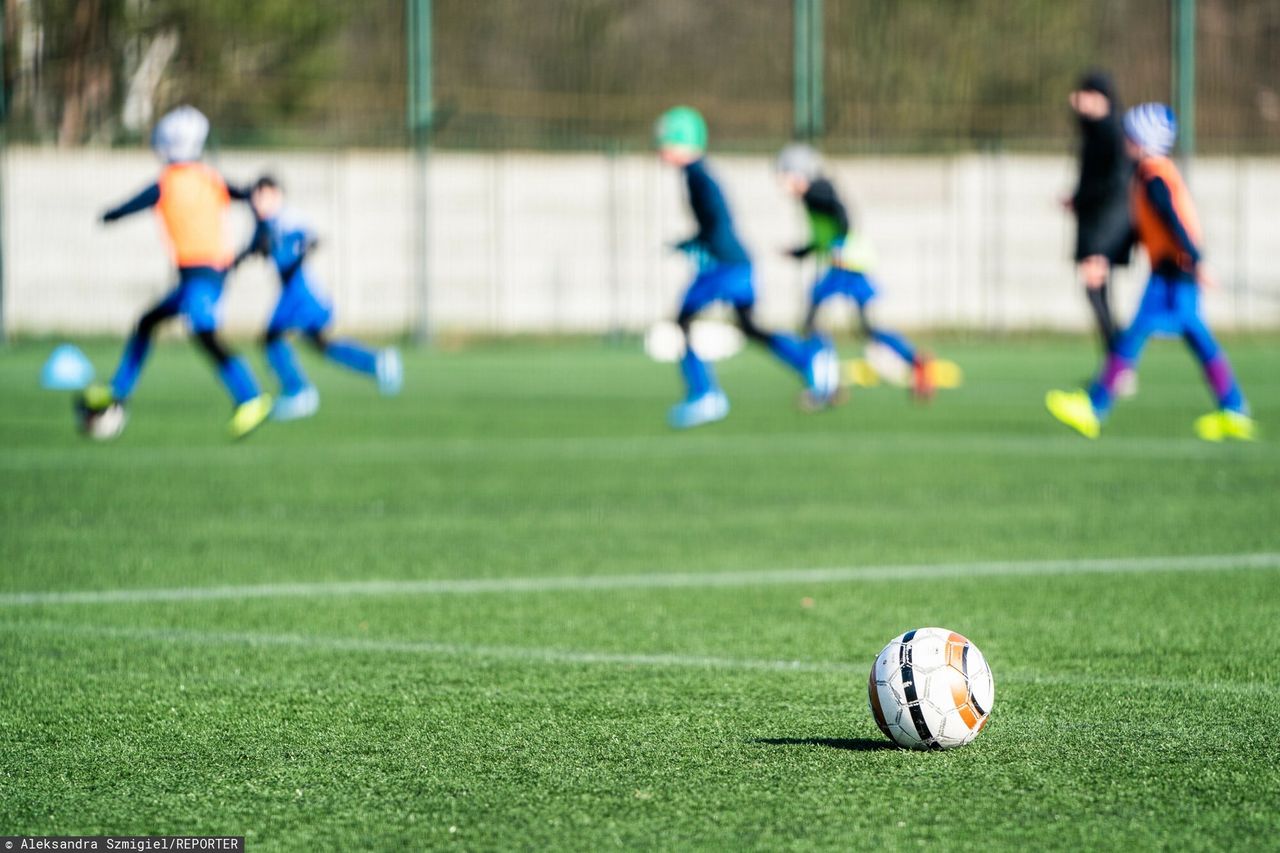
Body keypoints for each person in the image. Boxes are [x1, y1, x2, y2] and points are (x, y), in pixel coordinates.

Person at [1046, 103, 1255, 442]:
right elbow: (1138, 230)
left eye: (1130, 136)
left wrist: (1197, 260)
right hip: (1172, 269)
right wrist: (1104, 256)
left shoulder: (1155, 177)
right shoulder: (1147, 176)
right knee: (1196, 337)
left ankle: (1094, 407)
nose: (1126, 141)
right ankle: (1233, 407)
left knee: (1134, 336)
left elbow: (1174, 221)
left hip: (1173, 272)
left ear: (1143, 141)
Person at [80, 106, 271, 440]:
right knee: (148, 322)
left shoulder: (169, 182)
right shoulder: (210, 178)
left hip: (203, 275)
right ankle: (117, 390)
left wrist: (109, 215)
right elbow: (249, 195)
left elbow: (133, 204)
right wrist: (262, 230)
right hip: (203, 275)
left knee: (205, 334)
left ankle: (251, 397)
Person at [654, 106, 837, 428]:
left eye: (667, 140)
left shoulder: (696, 174)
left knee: (683, 321)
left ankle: (705, 393)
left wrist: (701, 244)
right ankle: (809, 359)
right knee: (749, 326)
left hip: (724, 264)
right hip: (736, 262)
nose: (661, 147)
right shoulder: (698, 173)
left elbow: (717, 219)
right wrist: (695, 241)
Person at [234, 176, 402, 421]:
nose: (257, 201)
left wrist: (302, 246)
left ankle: (299, 392)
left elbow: (308, 238)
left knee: (271, 339)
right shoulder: (264, 224)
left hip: (300, 292)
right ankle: (378, 363)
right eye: (255, 196)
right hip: (296, 292)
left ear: (277, 195)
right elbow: (255, 248)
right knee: (321, 343)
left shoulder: (287, 218)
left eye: (263, 195)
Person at [776, 143, 934, 400]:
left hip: (846, 263)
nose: (782, 182)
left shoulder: (816, 190)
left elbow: (842, 212)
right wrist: (800, 253)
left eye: (785, 175)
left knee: (812, 320)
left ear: (798, 173)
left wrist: (840, 245)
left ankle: (825, 385)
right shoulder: (812, 195)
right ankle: (916, 360)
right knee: (866, 328)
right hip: (851, 262)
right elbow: (823, 235)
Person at [1066, 71, 1133, 358]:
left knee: (1095, 289)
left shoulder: (1110, 131)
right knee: (1098, 292)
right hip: (1097, 221)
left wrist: (1082, 198)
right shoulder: (1095, 129)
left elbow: (1116, 181)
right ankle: (1117, 362)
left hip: (1106, 223)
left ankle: (1119, 363)